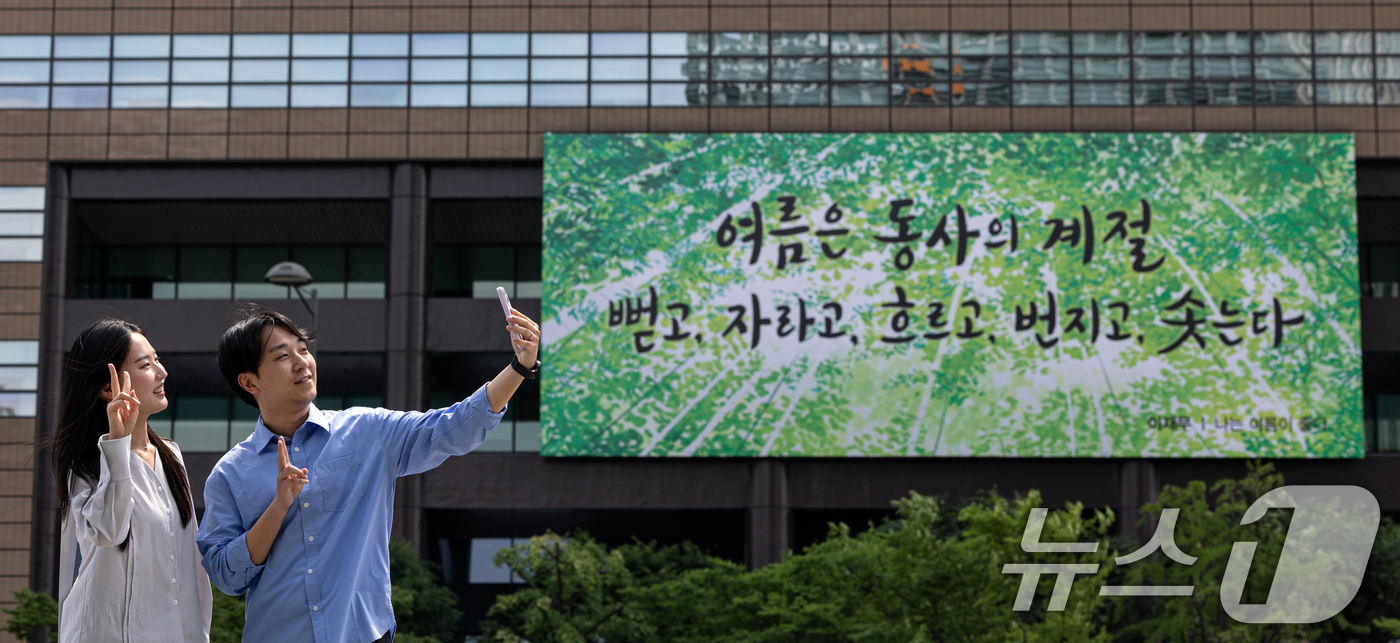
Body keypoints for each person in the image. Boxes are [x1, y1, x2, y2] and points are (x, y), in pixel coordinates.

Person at [197, 304, 540, 643]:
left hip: (363, 635)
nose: (302, 362)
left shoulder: (367, 431)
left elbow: (453, 426)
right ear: (249, 381)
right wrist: (278, 508)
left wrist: (520, 367)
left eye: (303, 349)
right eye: (282, 356)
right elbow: (227, 576)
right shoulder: (230, 474)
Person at [52, 319, 213, 643]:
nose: (161, 371)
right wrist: (117, 446)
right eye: (145, 364)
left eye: (156, 359)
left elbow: (188, 568)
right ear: (108, 388)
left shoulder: (170, 457)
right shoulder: (87, 464)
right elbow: (109, 530)